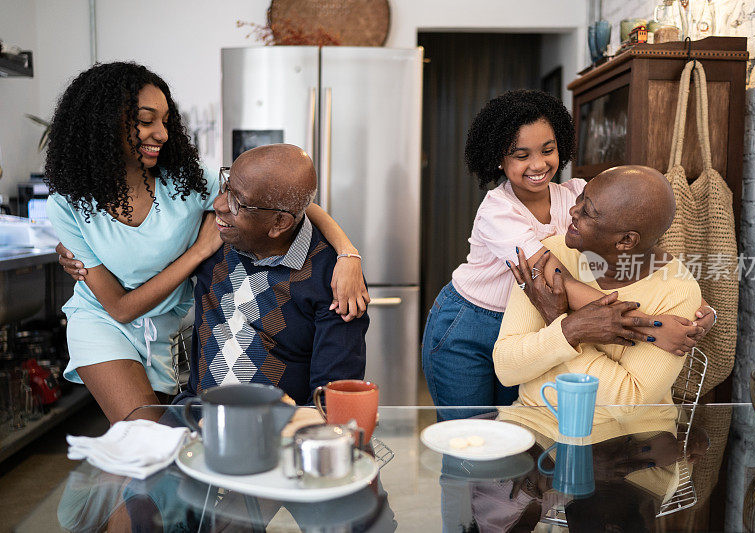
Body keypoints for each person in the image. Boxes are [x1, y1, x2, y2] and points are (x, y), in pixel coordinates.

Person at [46, 62, 368, 423]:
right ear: (104, 125)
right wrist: (199, 251)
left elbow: (294, 204)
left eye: (165, 121)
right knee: (144, 435)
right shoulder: (67, 204)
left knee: (160, 443)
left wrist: (348, 253)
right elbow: (119, 308)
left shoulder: (184, 182)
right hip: (105, 318)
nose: (162, 134)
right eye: (146, 120)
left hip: (163, 327)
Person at [421, 90, 713, 420]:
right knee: (469, 439)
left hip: (527, 322)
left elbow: (641, 245)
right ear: (497, 158)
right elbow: (557, 279)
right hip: (471, 323)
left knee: (507, 440)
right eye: (521, 155)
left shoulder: (576, 194)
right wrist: (651, 326)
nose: (538, 164)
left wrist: (697, 309)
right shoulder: (498, 211)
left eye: (548, 150)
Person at [493, 165, 705, 425]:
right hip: (534, 423)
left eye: (588, 212)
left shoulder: (677, 290)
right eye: (580, 198)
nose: (573, 211)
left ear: (626, 241)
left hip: (626, 441)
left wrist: (564, 326)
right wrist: (569, 330)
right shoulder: (549, 256)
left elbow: (628, 404)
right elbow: (505, 368)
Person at [175, 144, 369, 405]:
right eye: (225, 186)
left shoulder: (334, 282)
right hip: (197, 416)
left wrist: (346, 253)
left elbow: (331, 401)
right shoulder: (214, 238)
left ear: (279, 223)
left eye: (236, 202)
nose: (218, 205)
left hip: (277, 433)